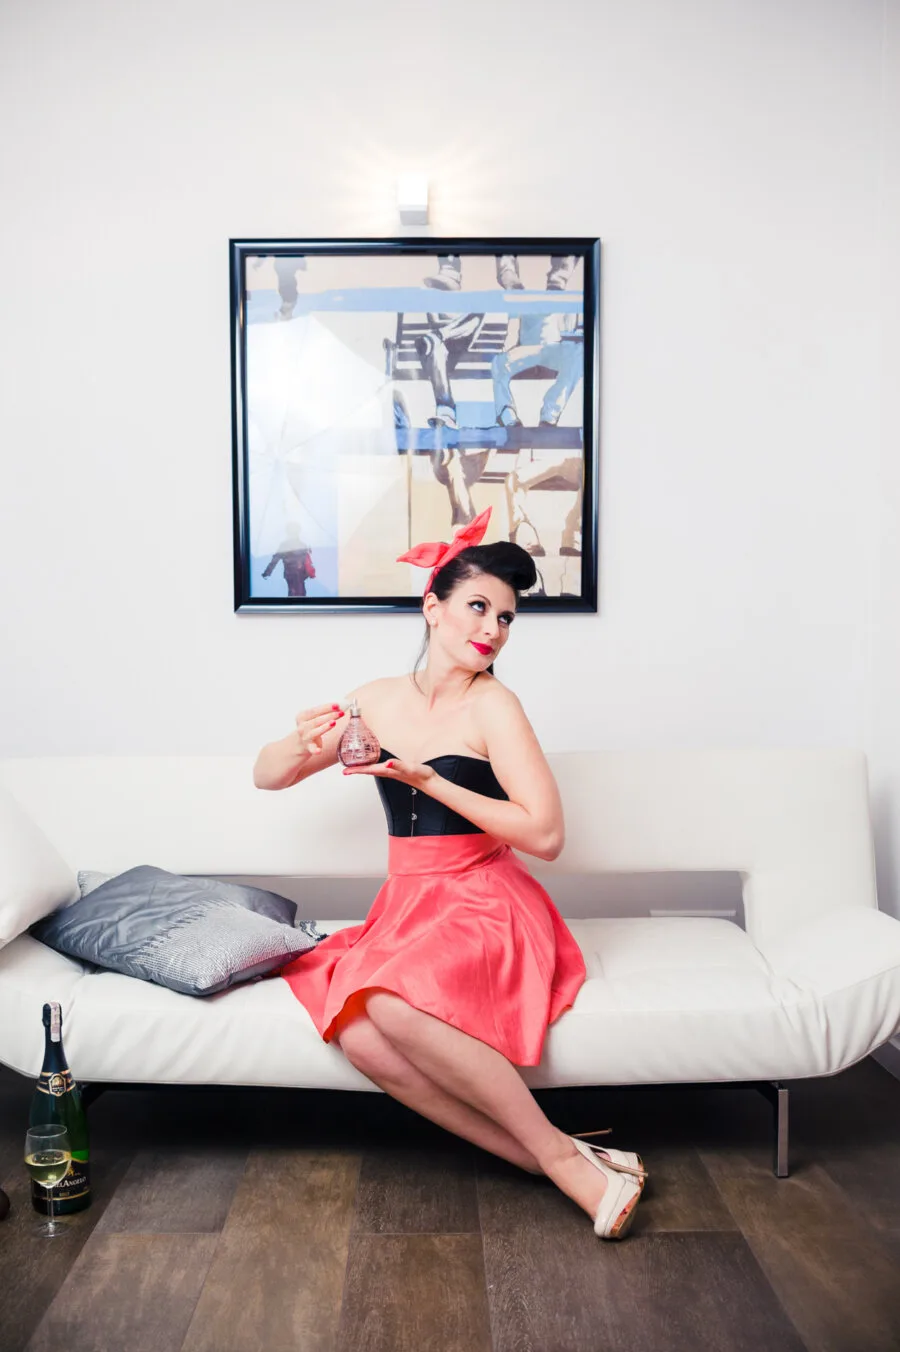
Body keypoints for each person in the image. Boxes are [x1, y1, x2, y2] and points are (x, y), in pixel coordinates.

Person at [252, 507, 647, 1240]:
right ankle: (546, 1157)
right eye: (478, 607)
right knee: (361, 1034)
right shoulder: (372, 700)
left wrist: (430, 782)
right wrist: (295, 738)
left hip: (485, 898)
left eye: (506, 617)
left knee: (391, 1002)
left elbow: (547, 834)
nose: (493, 629)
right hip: (407, 903)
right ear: (431, 607)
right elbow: (268, 777)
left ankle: (567, 1165)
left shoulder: (496, 706)